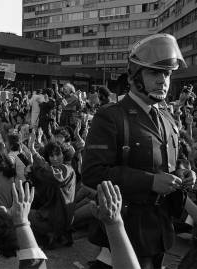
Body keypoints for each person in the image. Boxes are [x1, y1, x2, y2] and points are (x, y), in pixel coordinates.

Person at [82, 34, 196, 269]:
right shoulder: (110, 116)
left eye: (167, 73)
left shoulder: (166, 116)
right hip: (126, 228)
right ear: (134, 77)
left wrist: (185, 172)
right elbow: (93, 173)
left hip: (160, 230)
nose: (163, 80)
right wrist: (150, 181)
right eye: (155, 72)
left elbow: (176, 158)